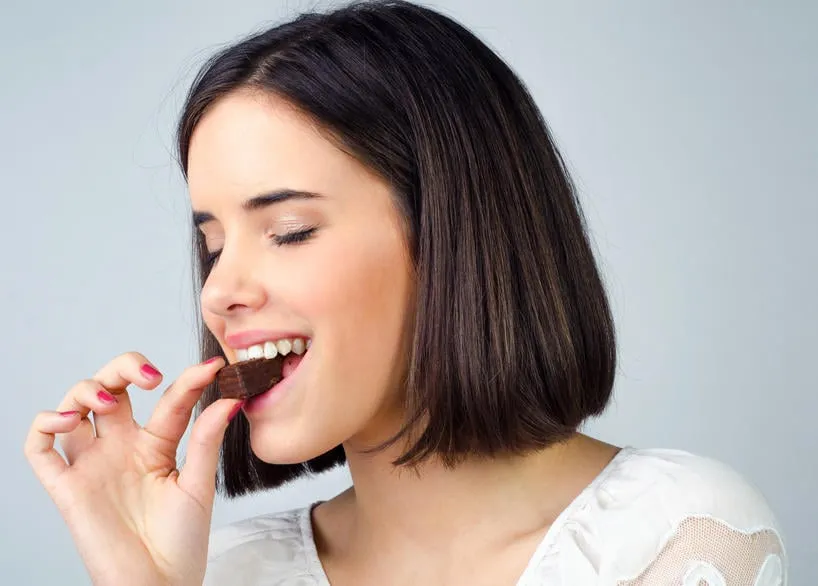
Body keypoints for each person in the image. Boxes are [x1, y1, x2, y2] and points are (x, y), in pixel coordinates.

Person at [24, 1, 787, 584]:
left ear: (456, 234)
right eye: (211, 245)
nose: (219, 291)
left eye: (288, 230)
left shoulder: (675, 538)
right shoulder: (223, 570)